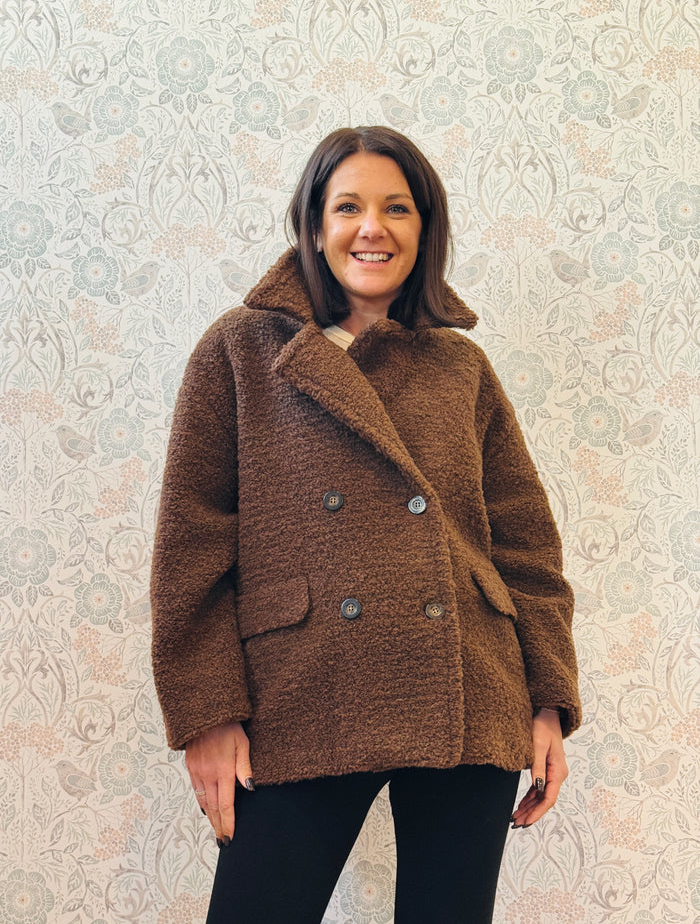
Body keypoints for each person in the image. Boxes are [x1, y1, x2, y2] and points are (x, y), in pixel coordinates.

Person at [150, 126, 581, 923]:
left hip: (467, 693)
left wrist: (548, 698)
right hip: (299, 694)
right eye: (348, 206)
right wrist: (206, 712)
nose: (372, 227)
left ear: (424, 230)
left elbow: (526, 548)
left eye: (397, 208)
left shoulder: (460, 366)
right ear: (315, 225)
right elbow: (190, 550)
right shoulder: (241, 350)